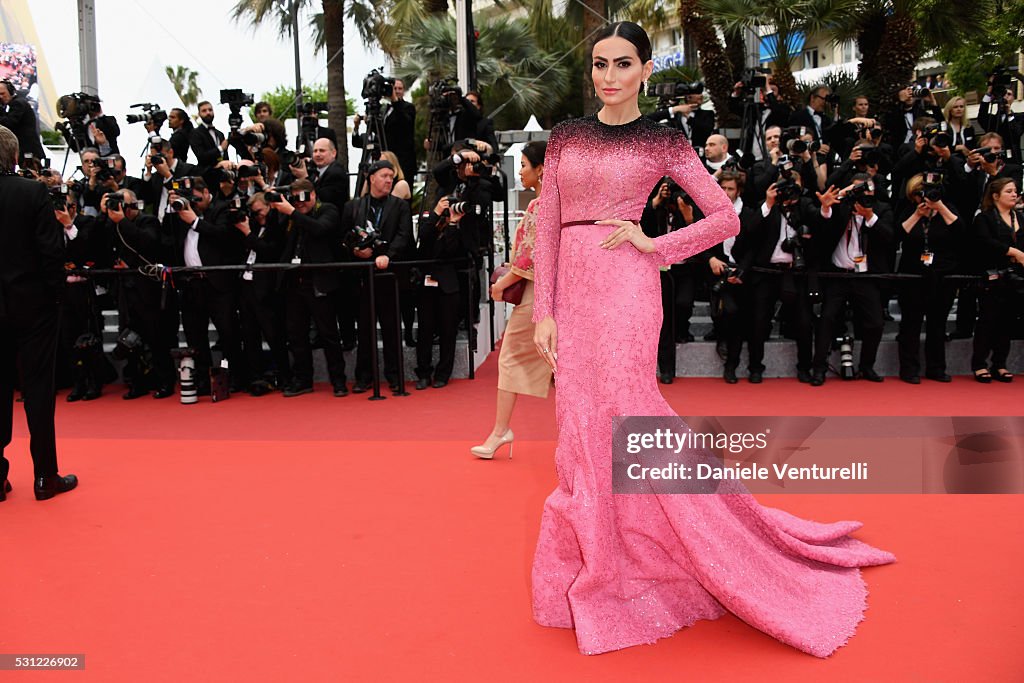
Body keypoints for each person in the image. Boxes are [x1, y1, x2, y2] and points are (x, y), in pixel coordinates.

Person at [529, 22, 894, 658]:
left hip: (626, 287)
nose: (607, 77)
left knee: (628, 415)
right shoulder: (566, 137)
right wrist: (545, 312)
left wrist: (656, 245)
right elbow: (551, 228)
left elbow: (724, 217)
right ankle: (608, 554)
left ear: (645, 69)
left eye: (621, 64)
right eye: (598, 65)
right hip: (576, 297)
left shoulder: (664, 140)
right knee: (582, 424)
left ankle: (663, 550)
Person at [0, 125, 78, 501]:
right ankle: (45, 476)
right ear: (15, 157)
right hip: (33, 309)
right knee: (38, 391)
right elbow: (51, 253)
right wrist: (56, 298)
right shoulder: (31, 192)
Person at [471, 141, 552, 457]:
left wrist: (501, 284)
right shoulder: (558, 204)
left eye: (523, 165)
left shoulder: (540, 207)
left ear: (541, 169)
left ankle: (500, 432)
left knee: (509, 358)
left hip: (536, 295)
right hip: (557, 293)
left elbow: (528, 257)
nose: (519, 172)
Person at [896, 174, 964, 383]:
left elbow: (961, 232)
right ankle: (909, 369)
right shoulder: (908, 210)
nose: (925, 198)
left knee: (938, 323)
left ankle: (936, 368)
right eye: (920, 194)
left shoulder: (948, 208)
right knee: (911, 323)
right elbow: (896, 236)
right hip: (913, 274)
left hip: (943, 275)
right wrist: (917, 214)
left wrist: (940, 207)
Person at [970, 178, 1024, 382]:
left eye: (1015, 191)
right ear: (995, 196)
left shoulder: (1019, 216)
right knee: (987, 321)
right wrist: (1014, 252)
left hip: (1016, 278)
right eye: (1009, 191)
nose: (1014, 194)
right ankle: (979, 364)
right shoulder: (984, 218)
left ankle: (1000, 363)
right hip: (992, 277)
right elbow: (984, 242)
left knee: (1007, 322)